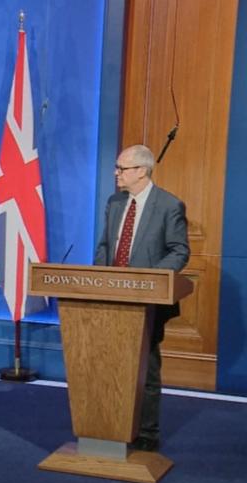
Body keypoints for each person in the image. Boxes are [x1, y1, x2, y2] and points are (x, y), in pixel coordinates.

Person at [94, 144, 190, 452]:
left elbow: (179, 251)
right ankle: (110, 425)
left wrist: (151, 281)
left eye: (121, 168)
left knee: (145, 369)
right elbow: (106, 246)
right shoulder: (115, 202)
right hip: (113, 300)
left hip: (148, 302)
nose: (116, 174)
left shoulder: (169, 205)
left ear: (142, 171)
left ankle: (147, 434)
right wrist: (99, 281)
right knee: (110, 366)